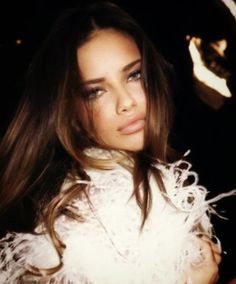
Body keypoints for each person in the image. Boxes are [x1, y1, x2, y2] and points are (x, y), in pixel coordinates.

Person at [0, 1, 235, 283]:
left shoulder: (143, 178)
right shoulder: (94, 212)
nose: (126, 102)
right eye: (95, 91)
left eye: (134, 75)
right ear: (71, 112)